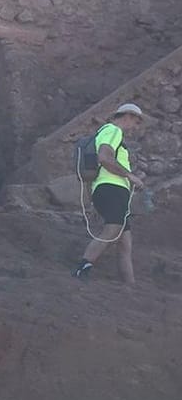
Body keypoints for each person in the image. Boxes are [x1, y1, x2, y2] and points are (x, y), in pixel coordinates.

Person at [74, 103, 145, 285]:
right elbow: (104, 157)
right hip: (112, 188)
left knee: (124, 243)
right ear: (128, 116)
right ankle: (82, 267)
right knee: (113, 228)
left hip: (109, 190)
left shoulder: (107, 132)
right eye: (136, 122)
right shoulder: (113, 130)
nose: (136, 127)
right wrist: (130, 176)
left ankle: (130, 285)